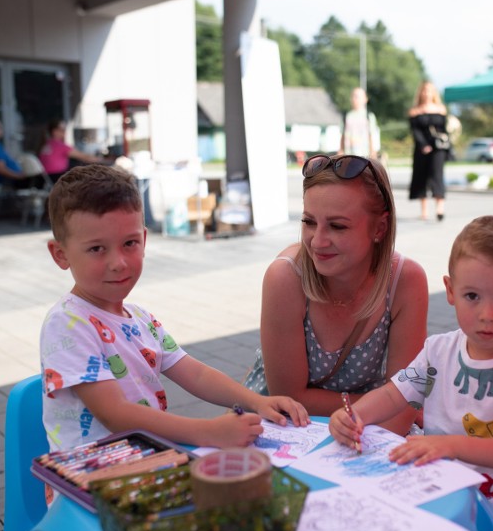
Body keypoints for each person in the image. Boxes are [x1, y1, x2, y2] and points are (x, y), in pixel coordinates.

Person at [40, 164, 308, 458]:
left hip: (147, 459)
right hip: (90, 478)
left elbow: (196, 374)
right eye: (96, 249)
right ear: (60, 254)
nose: (118, 262)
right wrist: (208, 432)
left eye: (129, 243)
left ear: (144, 240)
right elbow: (115, 415)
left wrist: (256, 401)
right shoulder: (67, 324)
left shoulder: (141, 319)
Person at [329, 215, 493, 531]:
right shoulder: (438, 351)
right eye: (472, 296)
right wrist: (356, 415)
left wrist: (448, 445)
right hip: (440, 485)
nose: (487, 314)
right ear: (451, 290)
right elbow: (394, 393)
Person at [243, 154, 429, 436]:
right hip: (285, 425)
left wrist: (395, 406)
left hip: (369, 428)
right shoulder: (286, 277)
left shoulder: (406, 280)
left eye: (337, 226)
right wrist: (383, 403)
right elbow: (290, 398)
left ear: (379, 228)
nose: (317, 241)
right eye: (308, 221)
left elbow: (404, 405)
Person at [408, 81, 449, 221]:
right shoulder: (415, 111)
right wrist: (423, 145)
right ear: (420, 93)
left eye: (429, 90)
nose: (426, 93)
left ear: (434, 93)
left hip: (438, 148)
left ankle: (440, 208)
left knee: (437, 175)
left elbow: (445, 129)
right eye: (424, 90)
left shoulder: (441, 109)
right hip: (421, 148)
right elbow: (415, 131)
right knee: (421, 176)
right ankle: (424, 210)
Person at [38, 118, 109, 183]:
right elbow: (86, 158)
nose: (65, 132)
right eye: (62, 130)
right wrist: (105, 160)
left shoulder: (45, 144)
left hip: (44, 179)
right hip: (57, 178)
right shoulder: (61, 146)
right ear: (54, 131)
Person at [0, 117, 46, 189]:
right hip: (11, 180)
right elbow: (0, 169)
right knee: (40, 178)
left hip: (13, 178)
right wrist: (18, 176)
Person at [339, 87, 379, 160]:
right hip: (348, 156)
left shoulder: (369, 116)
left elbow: (372, 135)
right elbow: (343, 135)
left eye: (358, 97)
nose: (355, 99)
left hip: (364, 156)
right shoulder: (346, 116)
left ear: (365, 99)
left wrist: (373, 152)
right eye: (353, 96)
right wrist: (341, 150)